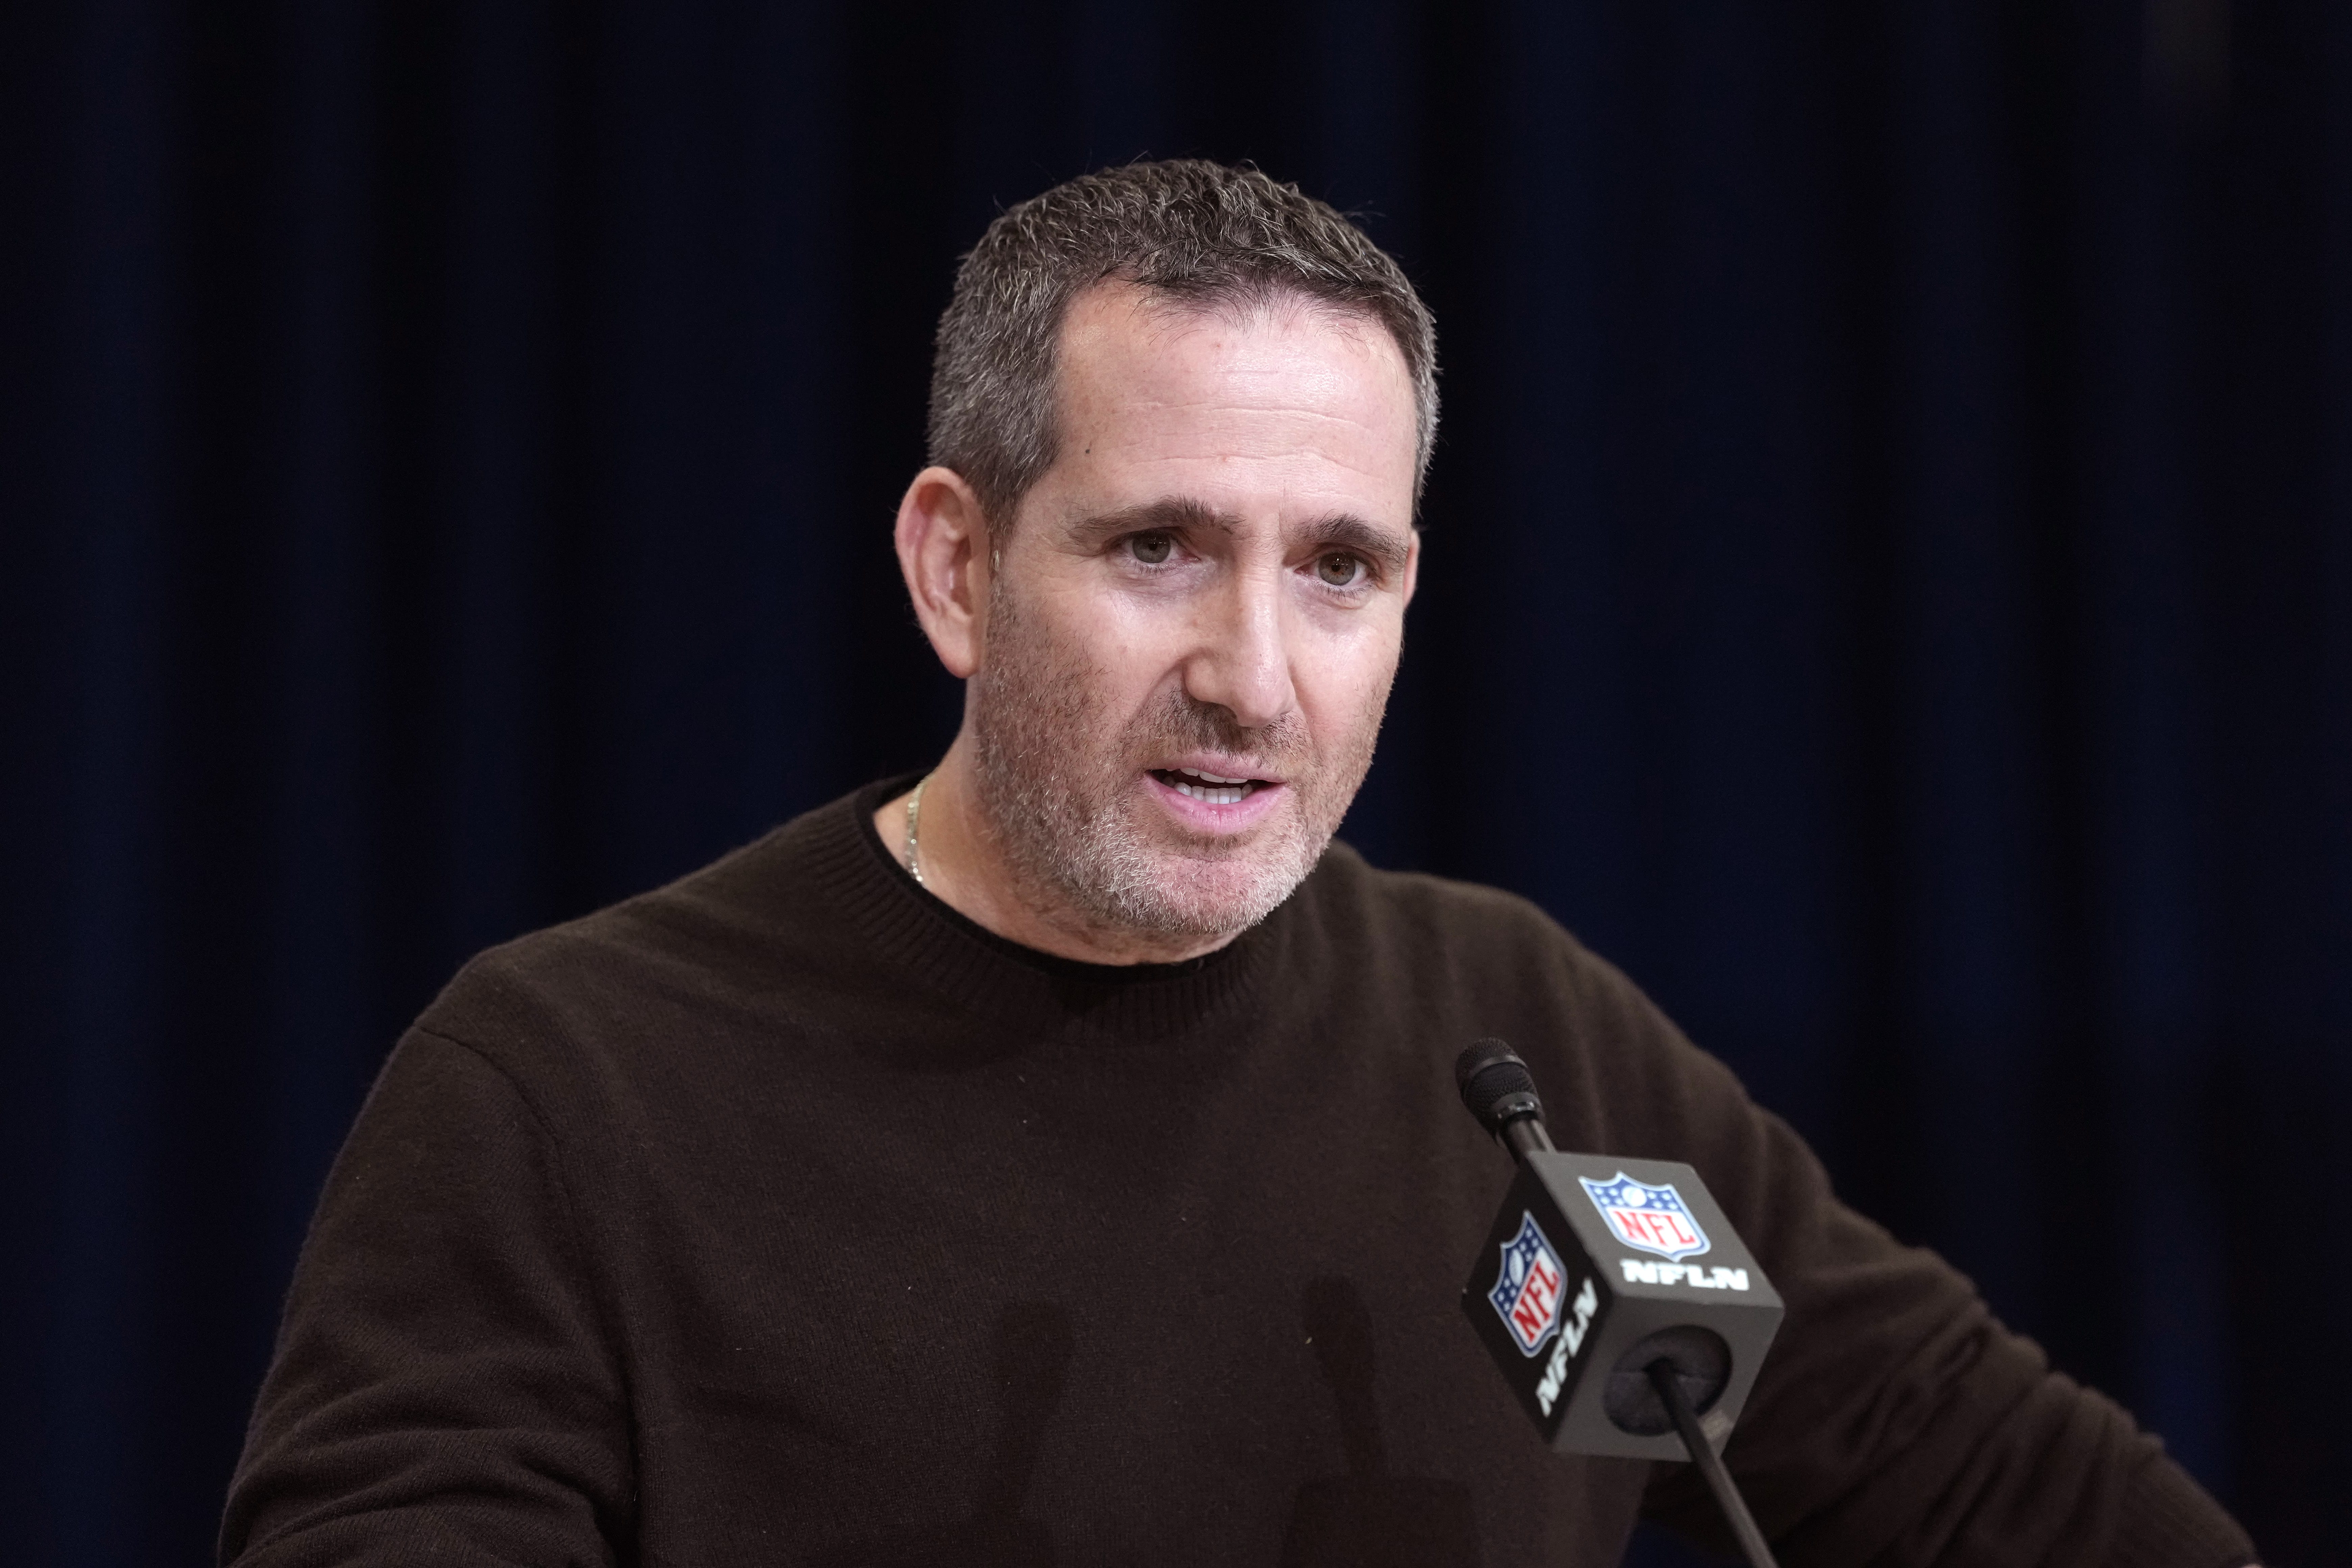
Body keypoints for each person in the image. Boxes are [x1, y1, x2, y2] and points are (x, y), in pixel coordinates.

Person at [220, 160, 2255, 1567]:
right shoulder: (567, 1091)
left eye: (1338, 570)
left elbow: (2007, 1493)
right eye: (1157, 547)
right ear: (956, 565)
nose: (1251, 678)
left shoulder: (1520, 1044)